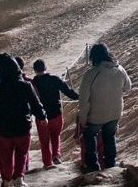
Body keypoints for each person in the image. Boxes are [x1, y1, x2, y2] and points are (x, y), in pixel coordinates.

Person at [0, 55, 47, 187]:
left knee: (6, 156)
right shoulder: (26, 85)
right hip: (22, 126)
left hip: (4, 129)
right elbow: (36, 104)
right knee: (21, 153)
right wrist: (42, 117)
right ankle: (18, 178)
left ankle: (7, 181)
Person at [78, 44, 132, 172]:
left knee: (90, 136)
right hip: (115, 112)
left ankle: (93, 166)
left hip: (96, 114)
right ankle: (110, 164)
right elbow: (128, 87)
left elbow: (83, 99)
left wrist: (83, 118)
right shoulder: (120, 69)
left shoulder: (91, 73)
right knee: (110, 136)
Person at [31, 59, 79, 168]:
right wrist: (79, 97)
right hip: (56, 113)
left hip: (41, 116)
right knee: (56, 136)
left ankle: (47, 163)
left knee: (44, 141)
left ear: (34, 70)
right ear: (45, 68)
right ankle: (56, 156)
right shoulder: (54, 79)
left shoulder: (33, 83)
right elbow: (67, 91)